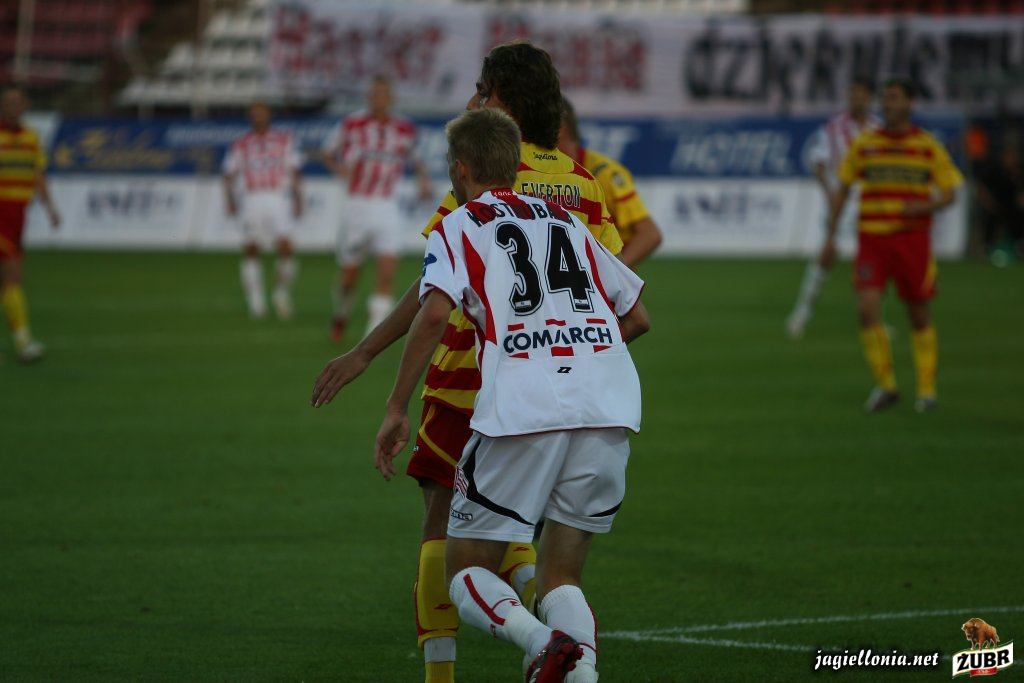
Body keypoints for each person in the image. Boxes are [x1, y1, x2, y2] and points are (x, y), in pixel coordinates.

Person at [310, 42, 622, 683]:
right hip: (566, 387)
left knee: (444, 529)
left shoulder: (489, 171)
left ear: (506, 101)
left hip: (467, 378)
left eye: (484, 90)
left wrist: (367, 354)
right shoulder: (582, 183)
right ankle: (570, 661)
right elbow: (611, 293)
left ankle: (452, 674)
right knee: (527, 545)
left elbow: (436, 290)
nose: (474, 100)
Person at [374, 106, 649, 683]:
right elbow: (637, 315)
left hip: (525, 407)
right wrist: (577, 353)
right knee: (561, 579)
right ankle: (578, 673)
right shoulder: (566, 221)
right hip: (609, 405)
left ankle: (542, 643)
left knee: (466, 571)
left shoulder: (460, 223)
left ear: (461, 167)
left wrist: (396, 407)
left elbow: (433, 315)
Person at [823, 78, 963, 413]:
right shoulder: (866, 143)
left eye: (894, 98)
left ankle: (926, 391)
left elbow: (950, 193)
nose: (886, 104)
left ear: (910, 104)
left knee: (918, 313)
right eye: (885, 99)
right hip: (872, 239)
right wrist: (830, 236)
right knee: (866, 308)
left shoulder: (927, 145)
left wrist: (926, 206)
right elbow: (843, 188)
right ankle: (886, 386)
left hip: (912, 240)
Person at [322, 75, 432, 341]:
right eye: (374, 94)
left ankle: (371, 335)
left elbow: (416, 158)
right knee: (349, 276)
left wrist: (422, 179)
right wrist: (340, 169)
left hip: (387, 206)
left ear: (391, 98)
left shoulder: (404, 128)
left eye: (383, 94)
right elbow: (326, 152)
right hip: (357, 206)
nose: (379, 99)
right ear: (368, 97)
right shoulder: (352, 124)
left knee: (387, 269)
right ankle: (342, 312)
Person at [787, 77, 881, 339]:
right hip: (842, 201)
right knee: (826, 255)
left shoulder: (878, 129)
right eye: (853, 94)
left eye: (861, 94)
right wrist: (830, 193)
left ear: (869, 98)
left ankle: (873, 318)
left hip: (871, 202)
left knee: (873, 260)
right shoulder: (833, 128)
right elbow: (818, 163)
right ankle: (802, 313)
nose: (856, 99)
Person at [557, 97, 662, 267]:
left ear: (561, 129)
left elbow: (650, 234)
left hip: (601, 281)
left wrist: (614, 272)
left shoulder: (604, 173)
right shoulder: (539, 171)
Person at [222, 101, 303, 319]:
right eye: (254, 113)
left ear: (269, 115)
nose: (258, 116)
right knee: (251, 249)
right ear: (250, 116)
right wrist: (229, 199)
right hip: (251, 198)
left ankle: (280, 293)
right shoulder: (241, 143)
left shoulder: (284, 139)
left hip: (278, 197)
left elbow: (295, 170)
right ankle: (256, 303)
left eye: (261, 112)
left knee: (287, 248)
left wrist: (298, 198)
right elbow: (229, 173)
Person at [0, 87, 60, 363]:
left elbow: (38, 174)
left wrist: (50, 208)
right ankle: (24, 343)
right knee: (13, 276)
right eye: (8, 102)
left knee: (8, 279)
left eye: (18, 102)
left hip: (18, 215)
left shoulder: (31, 137)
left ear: (25, 106)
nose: (13, 107)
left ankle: (22, 340)